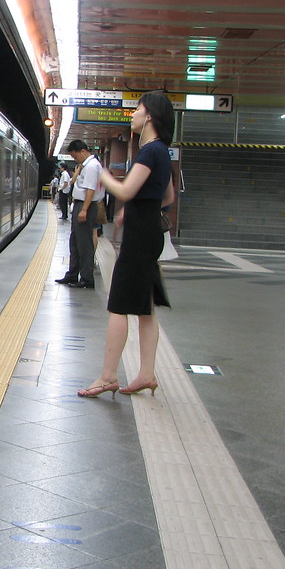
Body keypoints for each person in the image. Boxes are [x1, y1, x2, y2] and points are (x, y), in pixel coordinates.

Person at [77, 91, 174, 398]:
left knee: (118, 306)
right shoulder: (162, 152)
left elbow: (127, 190)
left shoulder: (149, 153)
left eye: (137, 110)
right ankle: (146, 373)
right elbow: (168, 197)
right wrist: (136, 211)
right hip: (150, 234)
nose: (132, 114)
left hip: (139, 239)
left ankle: (108, 376)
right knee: (145, 308)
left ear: (149, 117)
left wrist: (102, 174)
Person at [55, 141, 101, 288]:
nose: (75, 160)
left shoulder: (92, 166)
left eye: (75, 156)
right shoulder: (86, 165)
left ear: (82, 151)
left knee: (84, 243)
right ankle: (73, 275)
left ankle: (86, 278)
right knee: (75, 241)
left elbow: (90, 190)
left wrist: (84, 210)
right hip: (80, 204)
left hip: (85, 205)